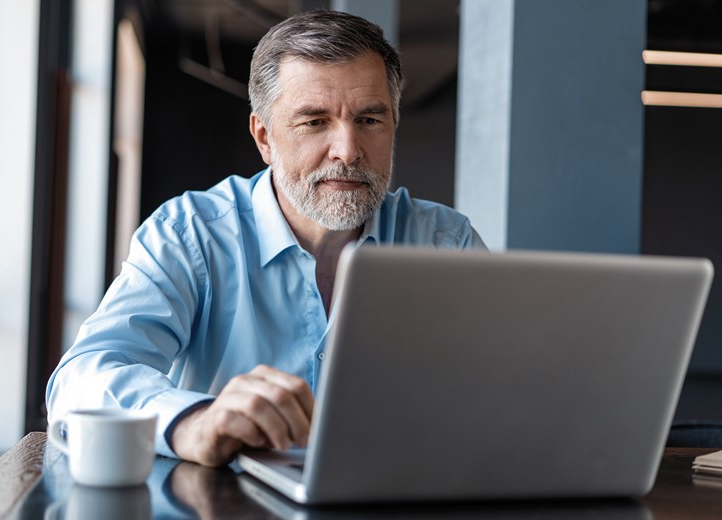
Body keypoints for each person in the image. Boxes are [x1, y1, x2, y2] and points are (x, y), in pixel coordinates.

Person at [46, 9, 486, 468]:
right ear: (264, 138)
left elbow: (508, 389)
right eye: (314, 122)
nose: (348, 150)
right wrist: (193, 421)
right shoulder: (189, 234)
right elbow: (79, 380)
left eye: (370, 120)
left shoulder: (445, 243)